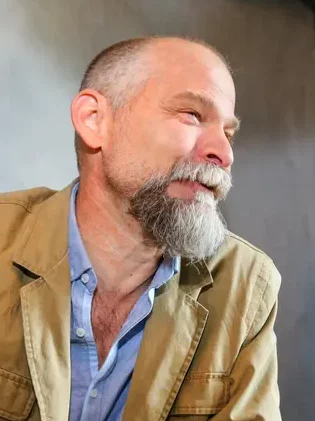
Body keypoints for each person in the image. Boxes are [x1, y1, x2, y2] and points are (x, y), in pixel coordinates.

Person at [0, 36, 281, 421]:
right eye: (192, 115)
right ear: (94, 121)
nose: (225, 153)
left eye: (228, 133)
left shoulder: (247, 284)